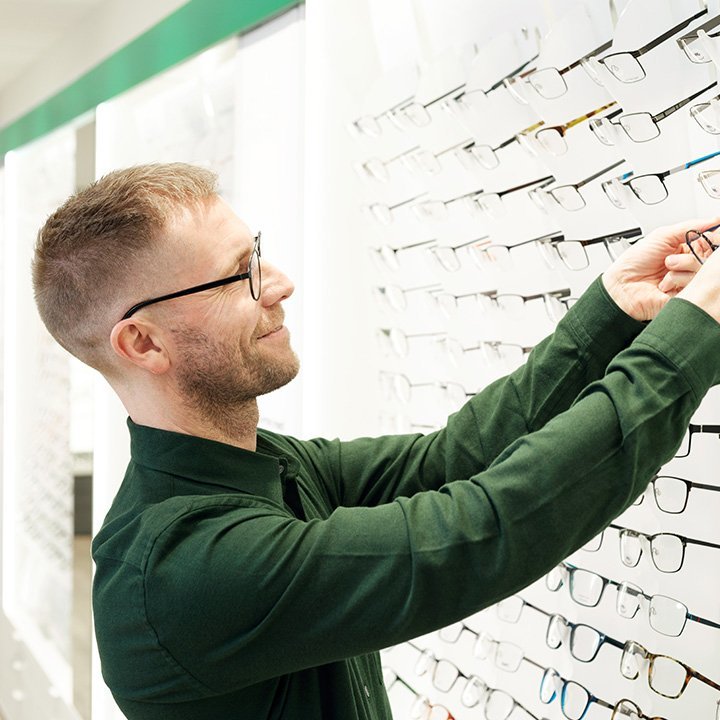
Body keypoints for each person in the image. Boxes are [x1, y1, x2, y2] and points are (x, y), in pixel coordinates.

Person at [32, 162, 720, 720]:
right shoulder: (185, 569)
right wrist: (692, 332)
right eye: (240, 273)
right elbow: (490, 528)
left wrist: (615, 308)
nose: (280, 284)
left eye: (260, 255)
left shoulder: (265, 467)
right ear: (142, 342)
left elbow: (455, 459)